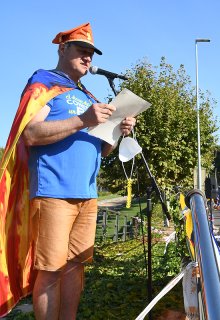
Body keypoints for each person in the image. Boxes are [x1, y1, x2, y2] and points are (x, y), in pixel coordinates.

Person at [11, 23, 138, 320]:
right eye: (82, 51)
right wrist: (83, 119)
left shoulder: (88, 96)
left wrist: (118, 130)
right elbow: (29, 134)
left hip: (87, 194)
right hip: (53, 192)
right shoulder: (43, 83)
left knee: (75, 266)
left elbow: (103, 150)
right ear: (62, 48)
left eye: (91, 54)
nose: (88, 58)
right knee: (51, 270)